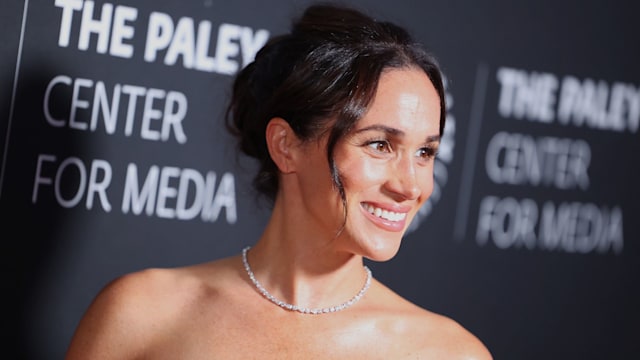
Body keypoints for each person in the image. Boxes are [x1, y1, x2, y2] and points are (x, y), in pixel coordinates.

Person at [65, 2, 492, 359]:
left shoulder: (448, 353)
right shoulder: (141, 313)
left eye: (425, 153)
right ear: (286, 146)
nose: (410, 185)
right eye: (379, 145)